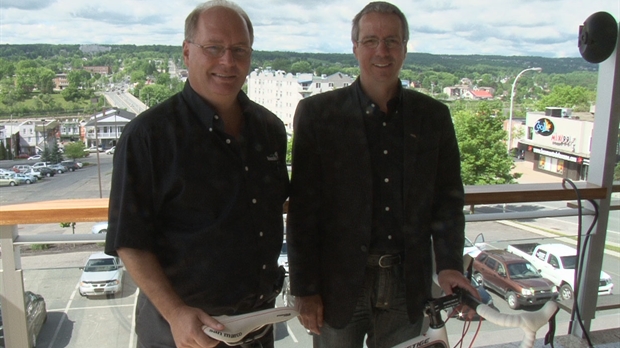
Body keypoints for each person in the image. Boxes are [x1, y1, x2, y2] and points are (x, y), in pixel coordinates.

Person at [286, 2, 477, 348]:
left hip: (407, 285)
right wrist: (304, 289)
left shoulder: (433, 117)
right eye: (371, 40)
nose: (382, 51)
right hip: (337, 285)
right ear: (355, 47)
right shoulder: (318, 115)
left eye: (392, 41)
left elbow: (448, 201)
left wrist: (449, 266)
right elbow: (303, 210)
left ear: (405, 48)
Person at [104, 1, 289, 347]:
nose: (227, 62)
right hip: (183, 331)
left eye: (239, 50)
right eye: (214, 48)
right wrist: (175, 313)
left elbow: (275, 209)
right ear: (187, 53)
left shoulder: (270, 130)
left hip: (258, 326)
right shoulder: (149, 136)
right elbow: (129, 240)